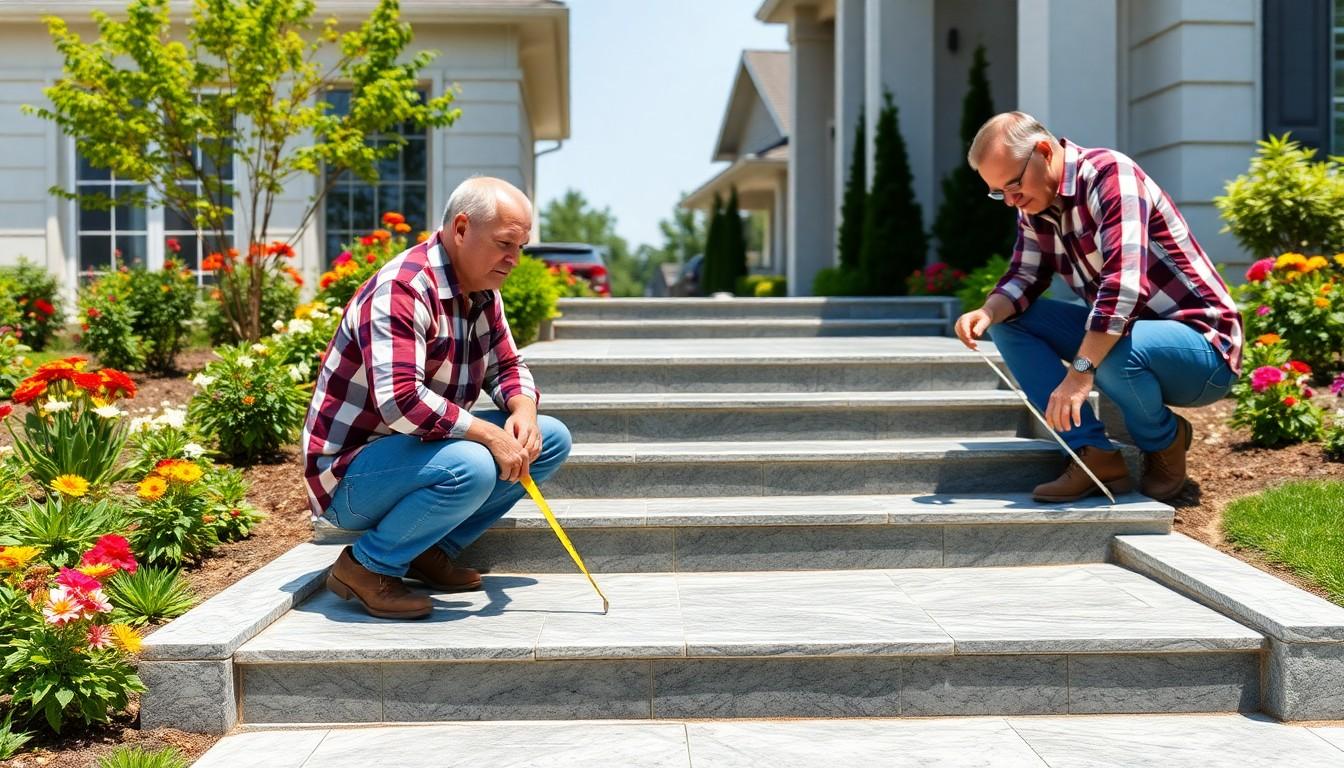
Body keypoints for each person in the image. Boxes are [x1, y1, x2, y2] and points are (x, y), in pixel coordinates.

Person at [302, 176, 572, 619]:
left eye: (520, 247)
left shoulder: (484, 292)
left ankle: (427, 549)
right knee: (472, 462)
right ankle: (366, 567)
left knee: (551, 437)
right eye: (505, 244)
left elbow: (507, 366)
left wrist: (524, 409)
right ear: (461, 229)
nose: (514, 259)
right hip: (348, 478)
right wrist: (488, 434)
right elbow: (401, 400)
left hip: (414, 455)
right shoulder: (402, 289)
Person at [954, 112, 1242, 503]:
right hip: (1131, 337)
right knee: (1011, 321)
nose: (1010, 201)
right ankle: (1093, 455)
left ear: (1044, 152)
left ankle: (1164, 440)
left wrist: (1080, 372)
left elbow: (1123, 286)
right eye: (997, 193)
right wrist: (988, 312)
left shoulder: (1111, 175)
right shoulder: (1033, 206)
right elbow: (1024, 275)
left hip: (1203, 348)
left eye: (1013, 185)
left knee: (1107, 351)